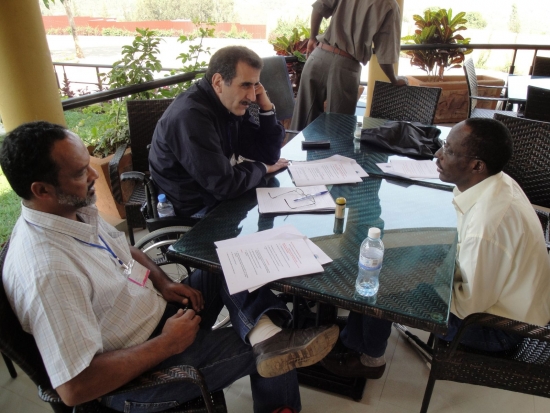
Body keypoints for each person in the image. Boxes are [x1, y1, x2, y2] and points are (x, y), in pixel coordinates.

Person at [0, 121, 339, 413]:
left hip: (160, 316)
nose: (93, 175)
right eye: (79, 173)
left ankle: (267, 336)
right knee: (266, 347)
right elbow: (75, 387)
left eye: (88, 164)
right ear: (41, 190)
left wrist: (161, 281)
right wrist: (167, 343)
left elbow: (125, 249)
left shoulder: (69, 211)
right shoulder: (48, 271)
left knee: (229, 261)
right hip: (136, 378)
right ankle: (272, 358)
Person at [321, 118, 550, 378]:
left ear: (477, 165)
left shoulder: (487, 227)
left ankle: (369, 360)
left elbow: (468, 306)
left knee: (380, 284)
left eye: (450, 151)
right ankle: (353, 340)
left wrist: (425, 276)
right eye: (443, 145)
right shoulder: (497, 183)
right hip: (506, 301)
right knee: (386, 267)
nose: (438, 155)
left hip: (500, 329)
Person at [149, 45, 289, 218]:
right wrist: (261, 168)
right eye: (245, 85)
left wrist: (266, 108)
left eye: (255, 86)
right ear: (218, 82)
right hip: (193, 210)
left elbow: (268, 155)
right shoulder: (190, 117)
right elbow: (224, 185)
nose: (252, 97)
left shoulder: (228, 104)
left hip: (216, 196)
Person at [290, 0, 408, 131]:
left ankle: (292, 152)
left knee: (300, 125)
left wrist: (312, 38)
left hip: (318, 56)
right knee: (337, 131)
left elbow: (319, 7)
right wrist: (394, 79)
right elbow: (385, 56)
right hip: (345, 66)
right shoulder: (389, 5)